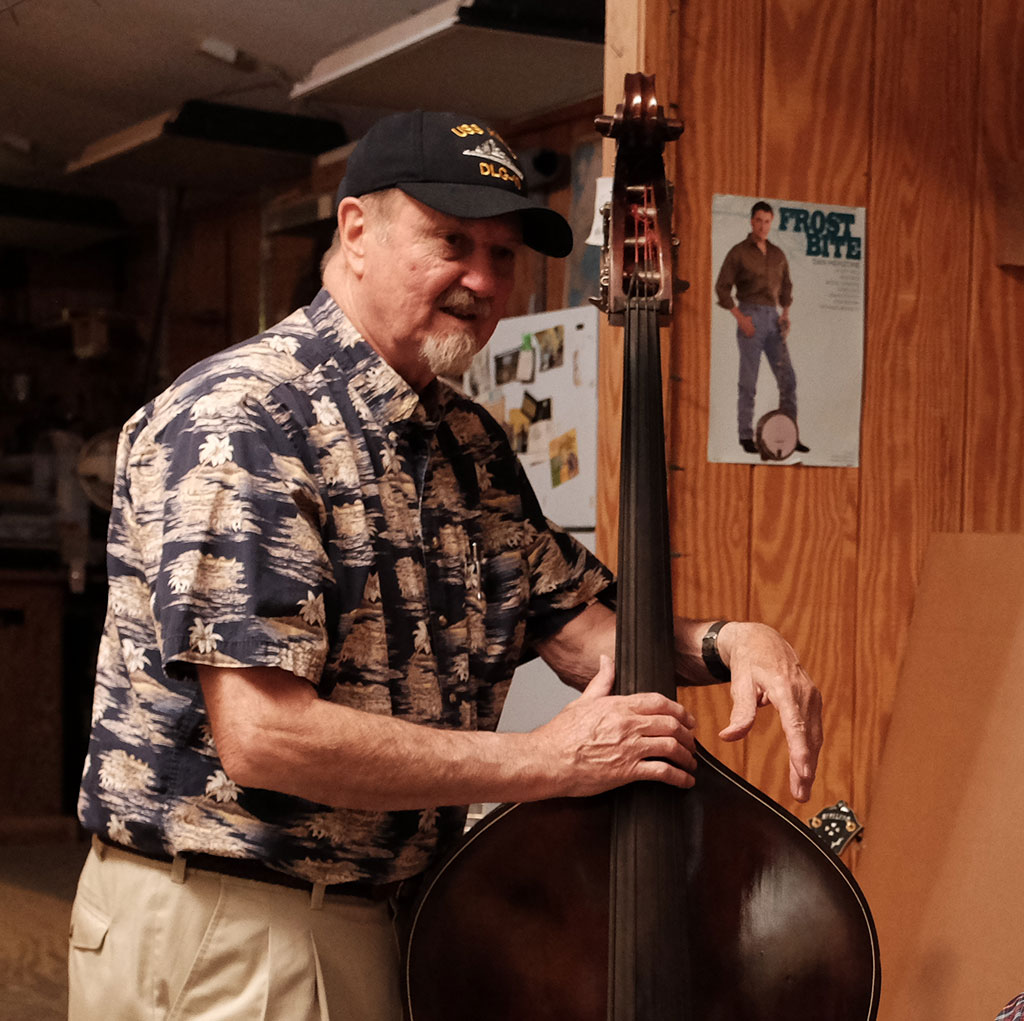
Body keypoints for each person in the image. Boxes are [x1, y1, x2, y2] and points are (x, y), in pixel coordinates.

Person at [68, 110, 823, 1021]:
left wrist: (731, 638)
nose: (481, 279)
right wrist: (539, 761)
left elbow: (590, 639)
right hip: (233, 921)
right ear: (355, 231)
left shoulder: (465, 440)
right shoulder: (249, 420)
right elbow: (265, 736)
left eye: (503, 255)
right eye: (451, 241)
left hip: (380, 913)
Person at [715, 200, 809, 455]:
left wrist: (786, 313)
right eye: (759, 221)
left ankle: (790, 433)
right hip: (751, 316)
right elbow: (722, 287)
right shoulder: (739, 252)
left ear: (771, 222)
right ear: (751, 222)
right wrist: (739, 316)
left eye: (767, 221)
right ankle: (746, 435)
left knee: (788, 379)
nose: (763, 226)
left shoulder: (778, 254)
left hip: (773, 319)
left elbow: (787, 286)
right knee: (749, 381)